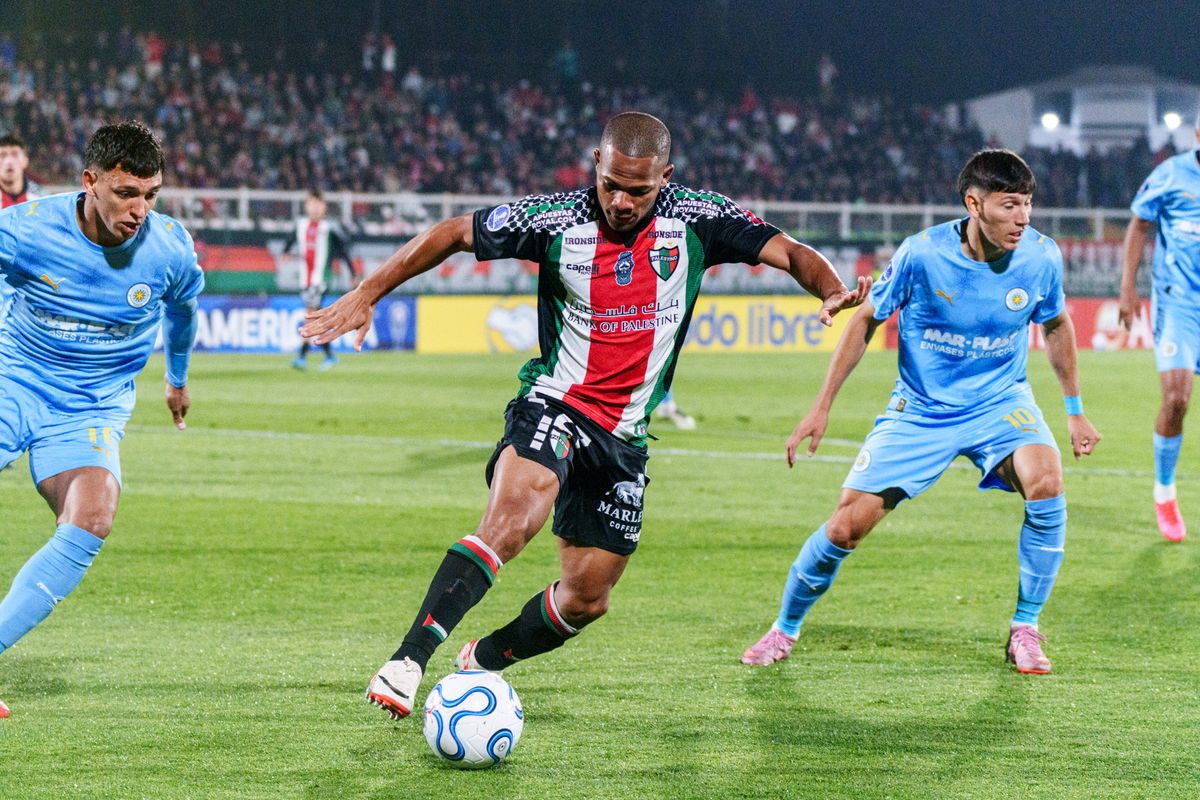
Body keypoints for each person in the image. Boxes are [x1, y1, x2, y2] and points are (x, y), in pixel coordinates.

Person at [300, 111, 870, 720]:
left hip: (625, 437)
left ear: (666, 177)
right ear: (595, 165)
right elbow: (453, 233)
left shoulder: (699, 218)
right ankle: (408, 660)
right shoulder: (554, 221)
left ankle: (481, 664)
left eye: (639, 190)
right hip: (557, 402)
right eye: (611, 185)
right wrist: (368, 292)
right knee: (511, 522)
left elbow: (789, 251)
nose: (622, 201)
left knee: (587, 597)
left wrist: (830, 288)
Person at [741, 150, 1100, 675]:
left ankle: (1026, 627)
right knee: (845, 528)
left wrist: (1074, 410)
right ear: (973, 204)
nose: (1023, 219)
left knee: (1046, 480)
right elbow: (866, 319)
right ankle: (784, 629)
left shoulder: (1041, 258)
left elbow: (1056, 324)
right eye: (1009, 206)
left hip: (1001, 403)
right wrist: (821, 408)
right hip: (922, 411)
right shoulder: (922, 254)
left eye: (1027, 205)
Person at [0, 121, 203, 718]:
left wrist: (177, 378)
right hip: (15, 379)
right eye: (126, 193)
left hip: (90, 403)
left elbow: (184, 312)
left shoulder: (169, 249)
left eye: (151, 194)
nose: (140, 209)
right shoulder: (29, 230)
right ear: (90, 182)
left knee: (93, 514)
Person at [1118, 117, 1200, 542]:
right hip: (1181, 303)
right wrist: (1128, 287)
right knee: (1176, 398)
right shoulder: (1171, 175)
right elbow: (1139, 223)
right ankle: (1165, 491)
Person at [285, 190, 356, 371]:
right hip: (305, 282)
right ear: (306, 206)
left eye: (318, 204)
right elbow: (289, 241)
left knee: (311, 315)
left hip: (320, 280)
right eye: (311, 204)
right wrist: (286, 252)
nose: (315, 208)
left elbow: (344, 251)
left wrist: (353, 273)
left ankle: (306, 356)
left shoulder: (329, 228)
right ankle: (325, 355)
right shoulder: (300, 225)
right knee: (313, 317)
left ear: (324, 207)